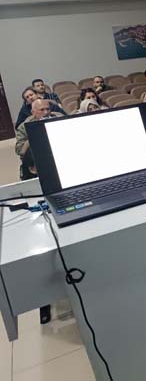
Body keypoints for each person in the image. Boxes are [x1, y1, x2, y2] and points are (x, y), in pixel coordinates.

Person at [15, 99, 64, 325]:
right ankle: (44, 302)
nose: (46, 112)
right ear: (33, 112)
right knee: (42, 241)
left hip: (59, 170)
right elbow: (20, 151)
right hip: (34, 173)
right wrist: (35, 131)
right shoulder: (24, 126)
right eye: (41, 110)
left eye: (47, 109)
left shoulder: (57, 118)